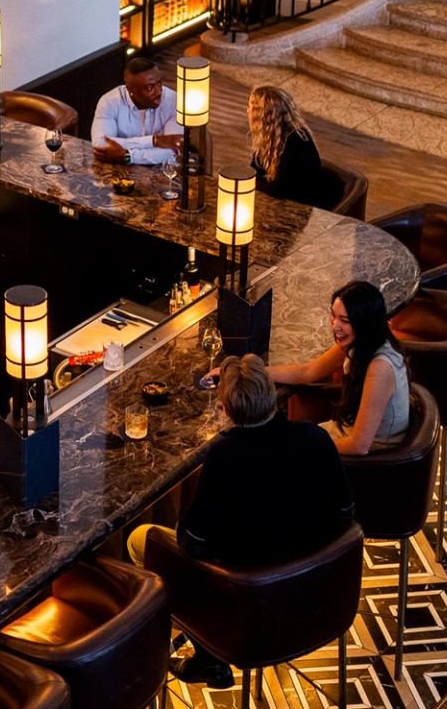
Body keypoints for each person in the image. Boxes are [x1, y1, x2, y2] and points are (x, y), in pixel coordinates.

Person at [126, 355, 353, 689]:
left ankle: (189, 654)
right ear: (271, 392)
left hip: (246, 600)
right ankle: (207, 655)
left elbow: (193, 542)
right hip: (318, 594)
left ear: (227, 409)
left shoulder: (224, 458)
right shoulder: (315, 438)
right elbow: (345, 509)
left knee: (141, 540)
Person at [269, 282, 410, 455]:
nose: (334, 326)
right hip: (348, 431)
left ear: (364, 323)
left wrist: (304, 450)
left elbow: (359, 446)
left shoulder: (380, 367)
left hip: (373, 459)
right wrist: (258, 370)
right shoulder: (362, 339)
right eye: (333, 315)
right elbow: (307, 372)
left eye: (344, 320)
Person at [91, 56, 182, 165]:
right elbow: (101, 143)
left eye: (159, 83)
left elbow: (172, 150)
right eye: (149, 88)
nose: (159, 92)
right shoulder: (109, 102)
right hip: (121, 172)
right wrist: (154, 141)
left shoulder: (173, 101)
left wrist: (128, 156)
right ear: (130, 89)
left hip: (163, 171)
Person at [247, 86, 324, 204]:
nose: (248, 111)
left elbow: (283, 190)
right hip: (279, 201)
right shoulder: (268, 137)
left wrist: (249, 183)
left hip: (304, 205)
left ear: (262, 115)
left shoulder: (296, 142)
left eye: (251, 108)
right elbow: (255, 172)